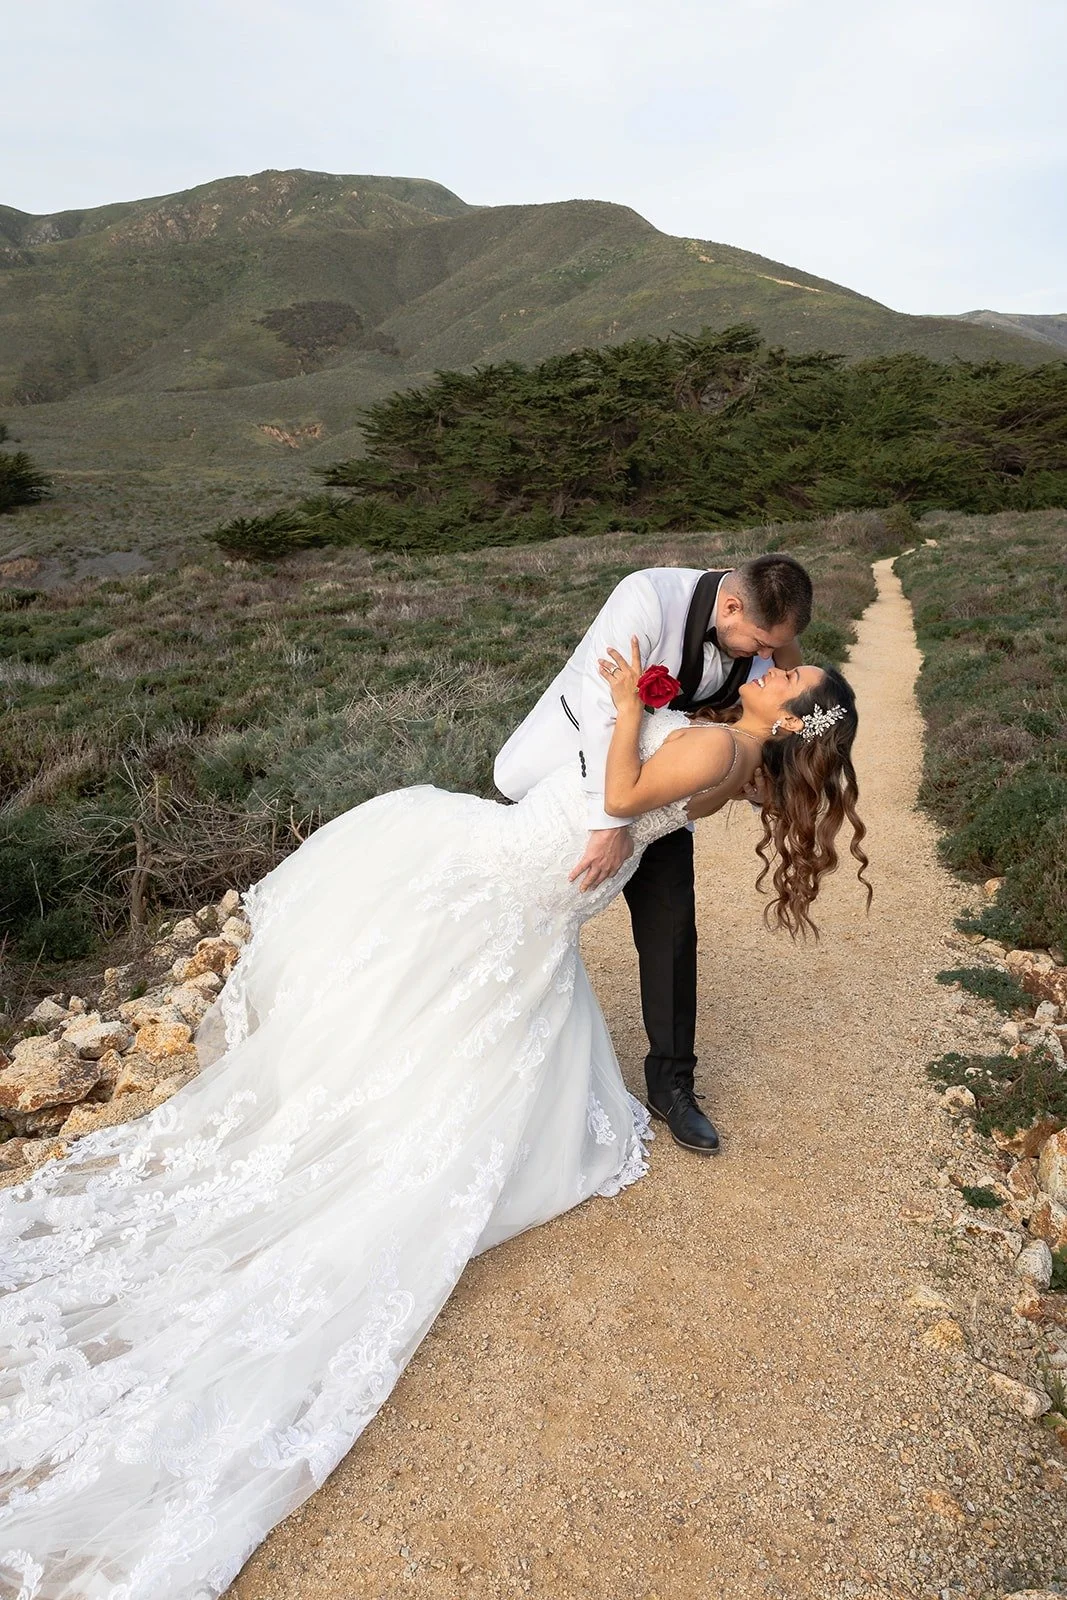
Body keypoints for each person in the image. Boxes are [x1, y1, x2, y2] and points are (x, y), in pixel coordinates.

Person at [0, 647, 868, 1600]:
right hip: (556, 863)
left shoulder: (715, 751)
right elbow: (631, 815)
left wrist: (625, 705)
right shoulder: (726, 755)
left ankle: (350, 1098)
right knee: (437, 979)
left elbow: (620, 792)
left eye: (791, 678)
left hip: (528, 862)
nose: (777, 667)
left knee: (413, 949)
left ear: (790, 721)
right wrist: (620, 802)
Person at [494, 554, 813, 1155]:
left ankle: (672, 1086)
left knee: (672, 928)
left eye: (776, 648)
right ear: (732, 606)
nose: (767, 657)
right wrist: (609, 819)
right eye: (761, 643)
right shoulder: (646, 598)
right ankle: (501, 1063)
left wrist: (769, 762)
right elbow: (599, 705)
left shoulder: (763, 644)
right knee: (525, 919)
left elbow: (789, 707)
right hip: (572, 776)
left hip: (662, 787)